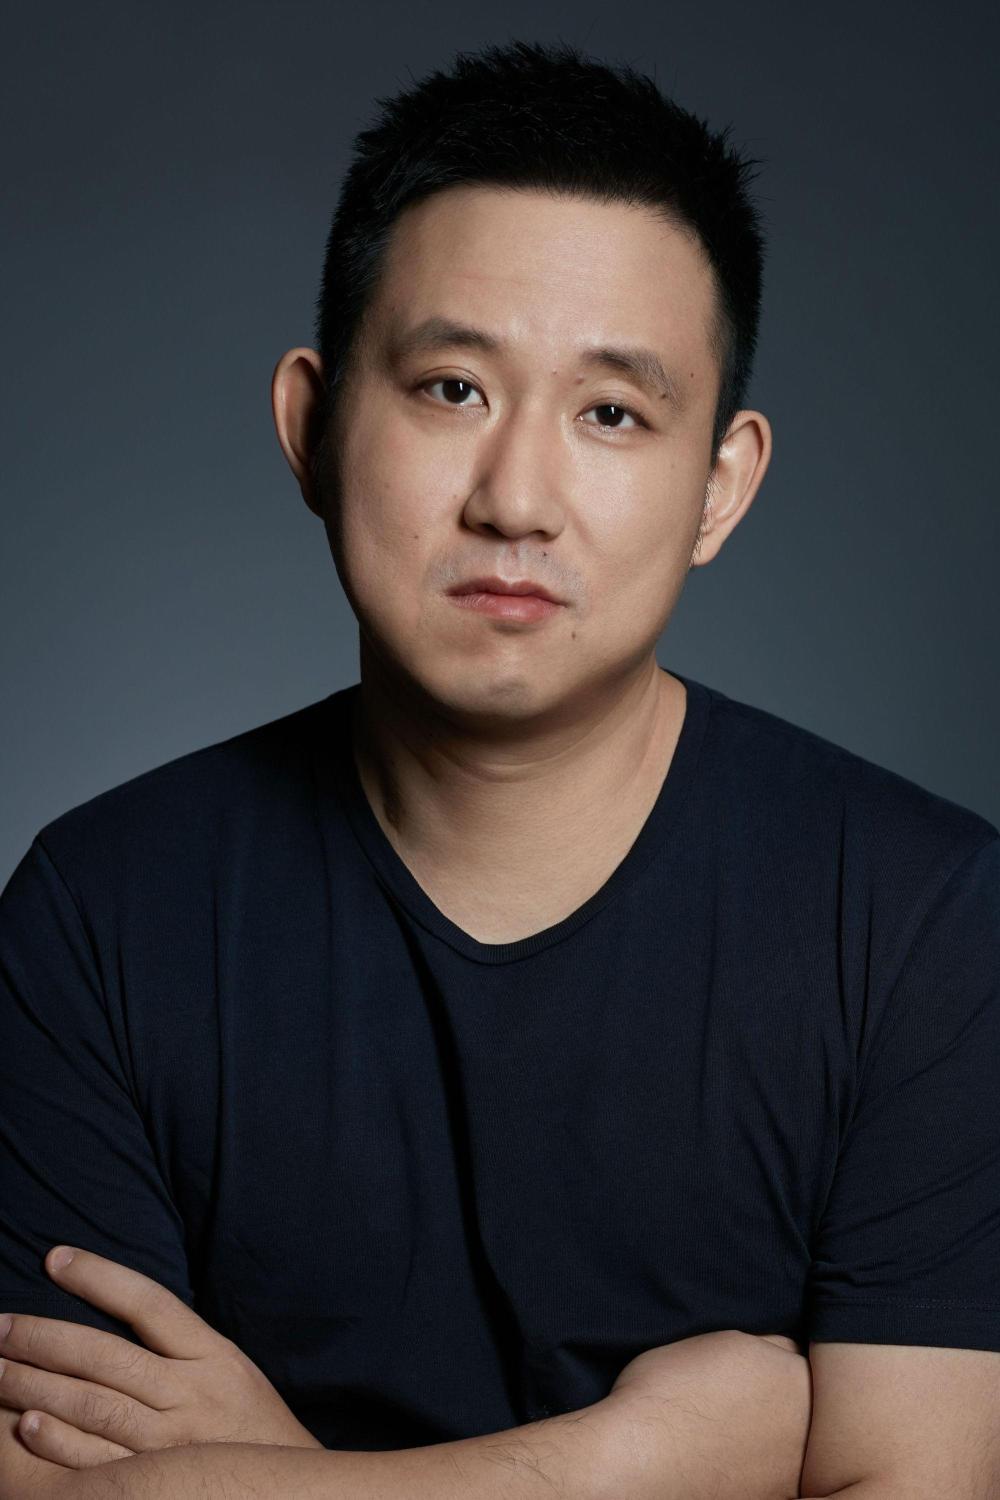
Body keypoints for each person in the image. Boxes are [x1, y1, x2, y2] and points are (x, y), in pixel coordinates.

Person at [2, 36, 999, 1500]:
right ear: (312, 425)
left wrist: (263, 1476)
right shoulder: (97, 915)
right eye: (453, 387)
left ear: (720, 486)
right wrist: (623, 1468)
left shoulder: (926, 925)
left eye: (612, 413)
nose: (517, 499)